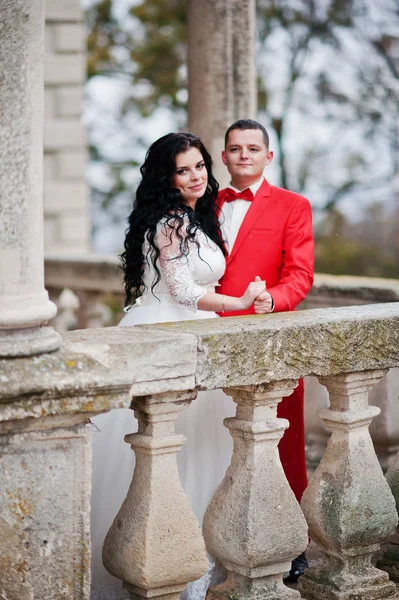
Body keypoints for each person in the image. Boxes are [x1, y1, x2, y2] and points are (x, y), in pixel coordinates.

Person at [90, 132, 267, 600]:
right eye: (183, 170)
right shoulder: (171, 222)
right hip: (167, 335)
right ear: (166, 178)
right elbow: (184, 290)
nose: (195, 177)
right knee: (170, 450)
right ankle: (163, 564)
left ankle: (190, 558)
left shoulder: (193, 218)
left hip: (194, 335)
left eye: (200, 167)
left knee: (198, 449)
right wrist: (241, 301)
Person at [216, 119, 314, 582]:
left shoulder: (294, 206)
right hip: (211, 336)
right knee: (215, 442)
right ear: (224, 157)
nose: (244, 156)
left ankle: (291, 546)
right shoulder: (203, 203)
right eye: (235, 148)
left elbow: (301, 273)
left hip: (265, 336)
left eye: (253, 148)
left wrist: (274, 299)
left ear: (268, 156)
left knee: (282, 443)